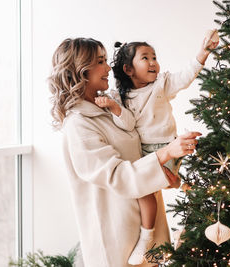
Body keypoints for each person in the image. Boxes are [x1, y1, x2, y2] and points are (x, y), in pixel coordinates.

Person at [48, 37, 201, 267]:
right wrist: (166, 153)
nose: (109, 67)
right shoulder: (79, 124)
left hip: (149, 234)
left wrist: (169, 176)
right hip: (118, 241)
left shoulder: (113, 106)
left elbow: (140, 153)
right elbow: (118, 175)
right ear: (81, 71)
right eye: (100, 62)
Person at [94, 33, 218, 265]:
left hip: (165, 148)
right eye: (145, 58)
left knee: (144, 192)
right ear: (128, 69)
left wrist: (203, 53)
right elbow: (127, 124)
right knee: (146, 188)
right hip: (143, 152)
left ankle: (146, 236)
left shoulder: (162, 85)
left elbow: (186, 76)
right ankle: (181, 184)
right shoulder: (121, 96)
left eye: (154, 57)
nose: (153, 62)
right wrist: (112, 106)